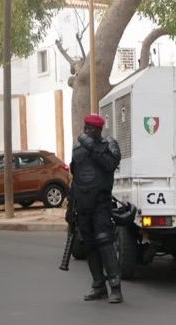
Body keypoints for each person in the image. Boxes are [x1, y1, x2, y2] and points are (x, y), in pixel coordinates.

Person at [67, 114, 123, 303]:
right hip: (82, 205)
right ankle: (98, 285)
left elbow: (110, 165)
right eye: (85, 128)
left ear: (99, 130)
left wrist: (92, 148)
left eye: (91, 129)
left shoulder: (109, 145)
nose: (87, 132)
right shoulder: (77, 150)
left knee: (104, 242)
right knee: (89, 245)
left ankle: (115, 287)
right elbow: (76, 178)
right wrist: (70, 207)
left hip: (101, 203)